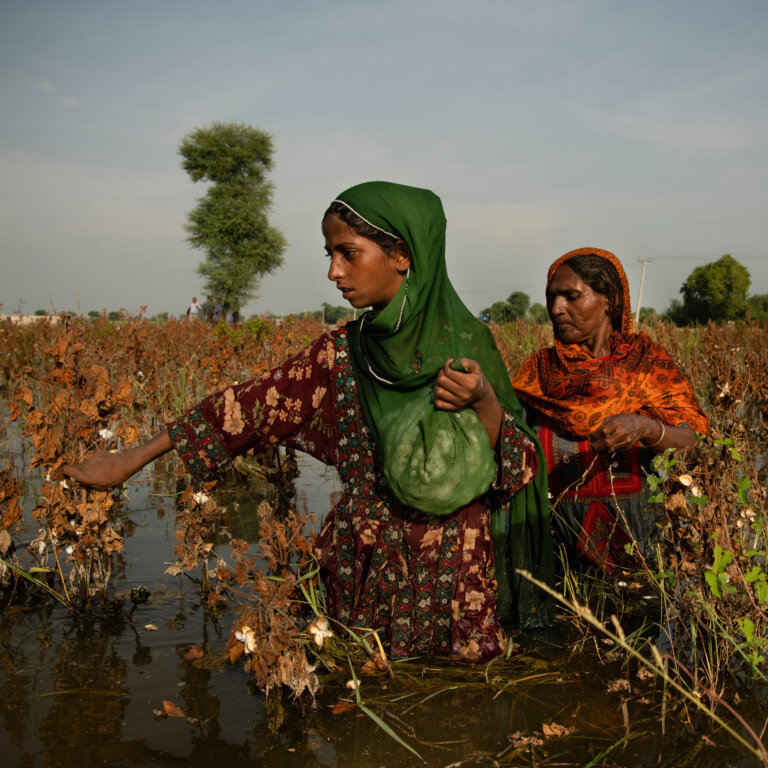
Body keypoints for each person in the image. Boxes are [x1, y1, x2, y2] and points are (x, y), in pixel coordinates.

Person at [60, 181, 555, 661]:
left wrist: (484, 401)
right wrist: (129, 461)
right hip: (366, 563)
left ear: (402, 255)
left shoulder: (468, 345)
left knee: (452, 701)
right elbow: (246, 406)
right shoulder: (341, 352)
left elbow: (519, 464)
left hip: (455, 575)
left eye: (348, 253)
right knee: (358, 677)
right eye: (329, 255)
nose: (334, 271)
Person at [512, 248, 708, 573]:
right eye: (552, 297)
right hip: (557, 558)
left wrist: (647, 428)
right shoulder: (539, 373)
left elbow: (697, 445)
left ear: (610, 301)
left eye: (571, 296)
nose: (557, 308)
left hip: (643, 555)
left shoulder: (646, 364)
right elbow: (507, 445)